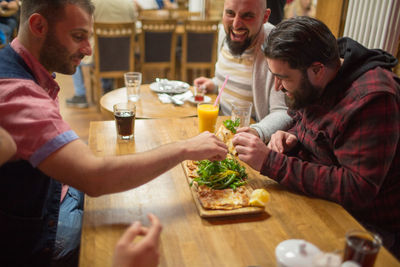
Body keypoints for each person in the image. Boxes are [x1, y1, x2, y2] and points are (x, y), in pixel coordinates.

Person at [0, 0, 228, 266]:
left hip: (57, 192)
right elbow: (95, 178)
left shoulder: (21, 65)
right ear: (38, 26)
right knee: (172, 239)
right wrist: (185, 148)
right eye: (78, 37)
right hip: (34, 241)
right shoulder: (17, 92)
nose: (88, 49)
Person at [232, 16, 400, 259]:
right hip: (326, 202)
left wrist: (270, 162)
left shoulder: (372, 98)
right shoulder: (319, 77)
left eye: (284, 77)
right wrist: (291, 136)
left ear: (317, 70)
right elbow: (309, 123)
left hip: (368, 230)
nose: (277, 87)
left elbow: (357, 188)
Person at [194, 0, 292, 143]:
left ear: (265, 17)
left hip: (248, 143)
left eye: (247, 16)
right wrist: (214, 84)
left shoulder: (275, 45)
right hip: (219, 130)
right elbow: (232, 77)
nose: (235, 25)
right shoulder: (224, 31)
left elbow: (283, 112)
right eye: (230, 13)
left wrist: (256, 131)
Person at [66, 0, 139, 108]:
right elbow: (135, 25)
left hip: (100, 53)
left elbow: (85, 27)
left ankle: (80, 95)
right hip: (124, 55)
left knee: (74, 56)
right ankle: (108, 87)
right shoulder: (129, 3)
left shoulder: (93, 3)